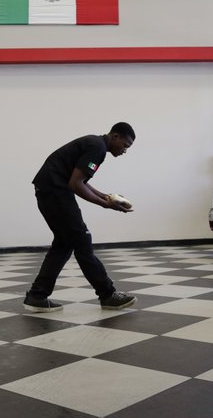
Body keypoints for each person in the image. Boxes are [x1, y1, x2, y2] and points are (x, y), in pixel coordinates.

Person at [24, 122, 138, 313]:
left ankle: (37, 295)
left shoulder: (95, 144)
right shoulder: (98, 148)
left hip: (49, 191)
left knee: (64, 244)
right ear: (115, 136)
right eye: (125, 146)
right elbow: (76, 184)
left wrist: (105, 196)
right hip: (55, 193)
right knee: (82, 240)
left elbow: (80, 180)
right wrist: (106, 205)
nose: (125, 151)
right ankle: (107, 294)